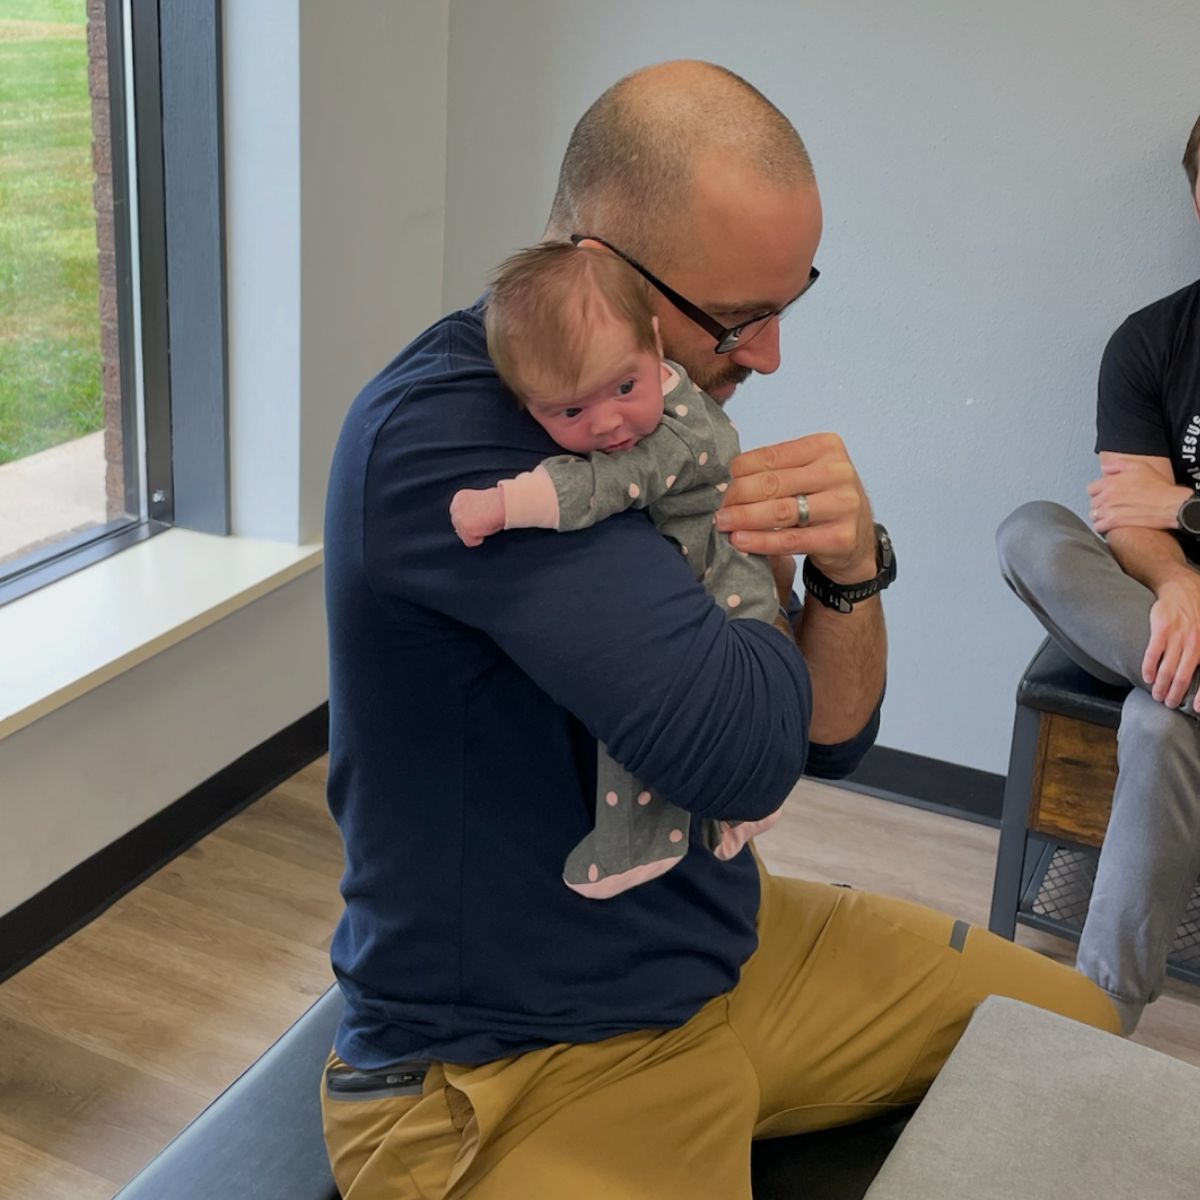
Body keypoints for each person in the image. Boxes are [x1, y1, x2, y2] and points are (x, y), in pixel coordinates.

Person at [322, 60, 1120, 1199]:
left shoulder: (650, 423)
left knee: (1082, 1034)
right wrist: (754, 577)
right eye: (740, 319)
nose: (770, 355)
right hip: (516, 1061)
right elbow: (743, 754)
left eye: (787, 306)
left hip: (724, 952)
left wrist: (849, 572)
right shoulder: (456, 447)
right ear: (599, 260)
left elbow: (827, 737)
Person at [451, 240, 788, 898]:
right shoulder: (633, 398)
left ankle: (639, 845)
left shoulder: (683, 430)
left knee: (654, 708)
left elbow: (610, 484)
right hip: (704, 575)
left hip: (728, 584)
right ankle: (714, 820)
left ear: (654, 344)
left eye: (625, 387)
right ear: (525, 408)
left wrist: (505, 503)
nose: (609, 424)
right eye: (570, 411)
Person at [996, 113, 1200, 1037]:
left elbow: (1162, 504)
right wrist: (1180, 584)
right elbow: (1126, 518)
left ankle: (1095, 1016)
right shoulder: (1152, 341)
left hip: (1168, 655)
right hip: (1156, 615)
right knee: (1030, 532)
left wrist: (1185, 508)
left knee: (1160, 721)